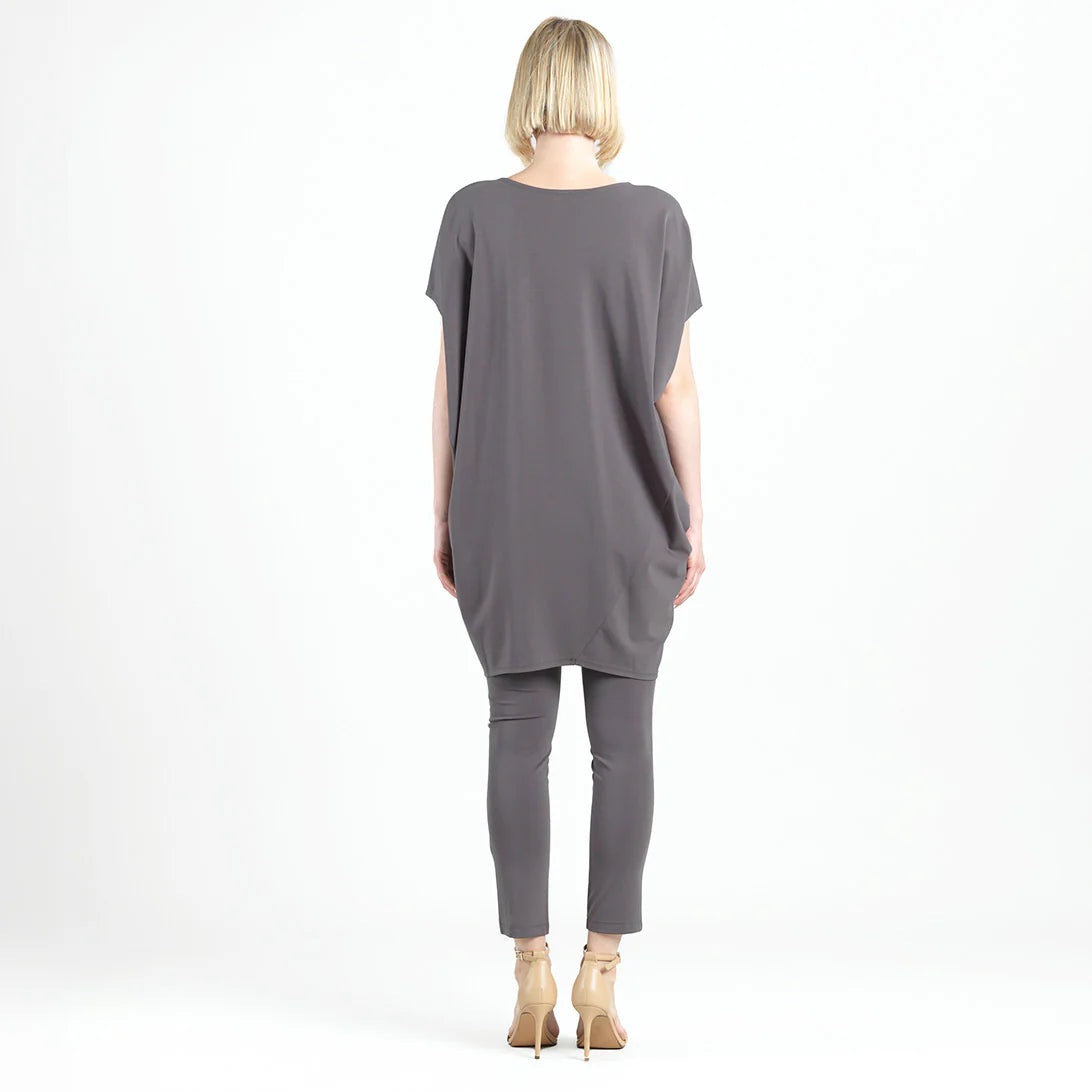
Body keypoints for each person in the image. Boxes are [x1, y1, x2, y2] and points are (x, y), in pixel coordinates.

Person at [426, 16, 706, 1060]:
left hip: (503, 514)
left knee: (517, 736)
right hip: (627, 516)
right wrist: (691, 515)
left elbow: (452, 382)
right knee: (623, 749)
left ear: (528, 90)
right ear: (603, 95)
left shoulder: (472, 214)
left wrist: (445, 512)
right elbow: (674, 387)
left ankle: (530, 974)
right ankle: (601, 977)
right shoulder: (655, 218)